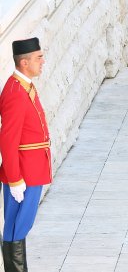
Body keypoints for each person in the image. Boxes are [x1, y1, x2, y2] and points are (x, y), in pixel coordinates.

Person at [1, 37, 52, 272]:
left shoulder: (25, 86)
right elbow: (8, 140)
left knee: (22, 224)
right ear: (24, 62)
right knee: (16, 227)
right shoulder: (15, 92)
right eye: (38, 58)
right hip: (23, 173)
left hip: (33, 169)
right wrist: (14, 179)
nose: (42, 61)